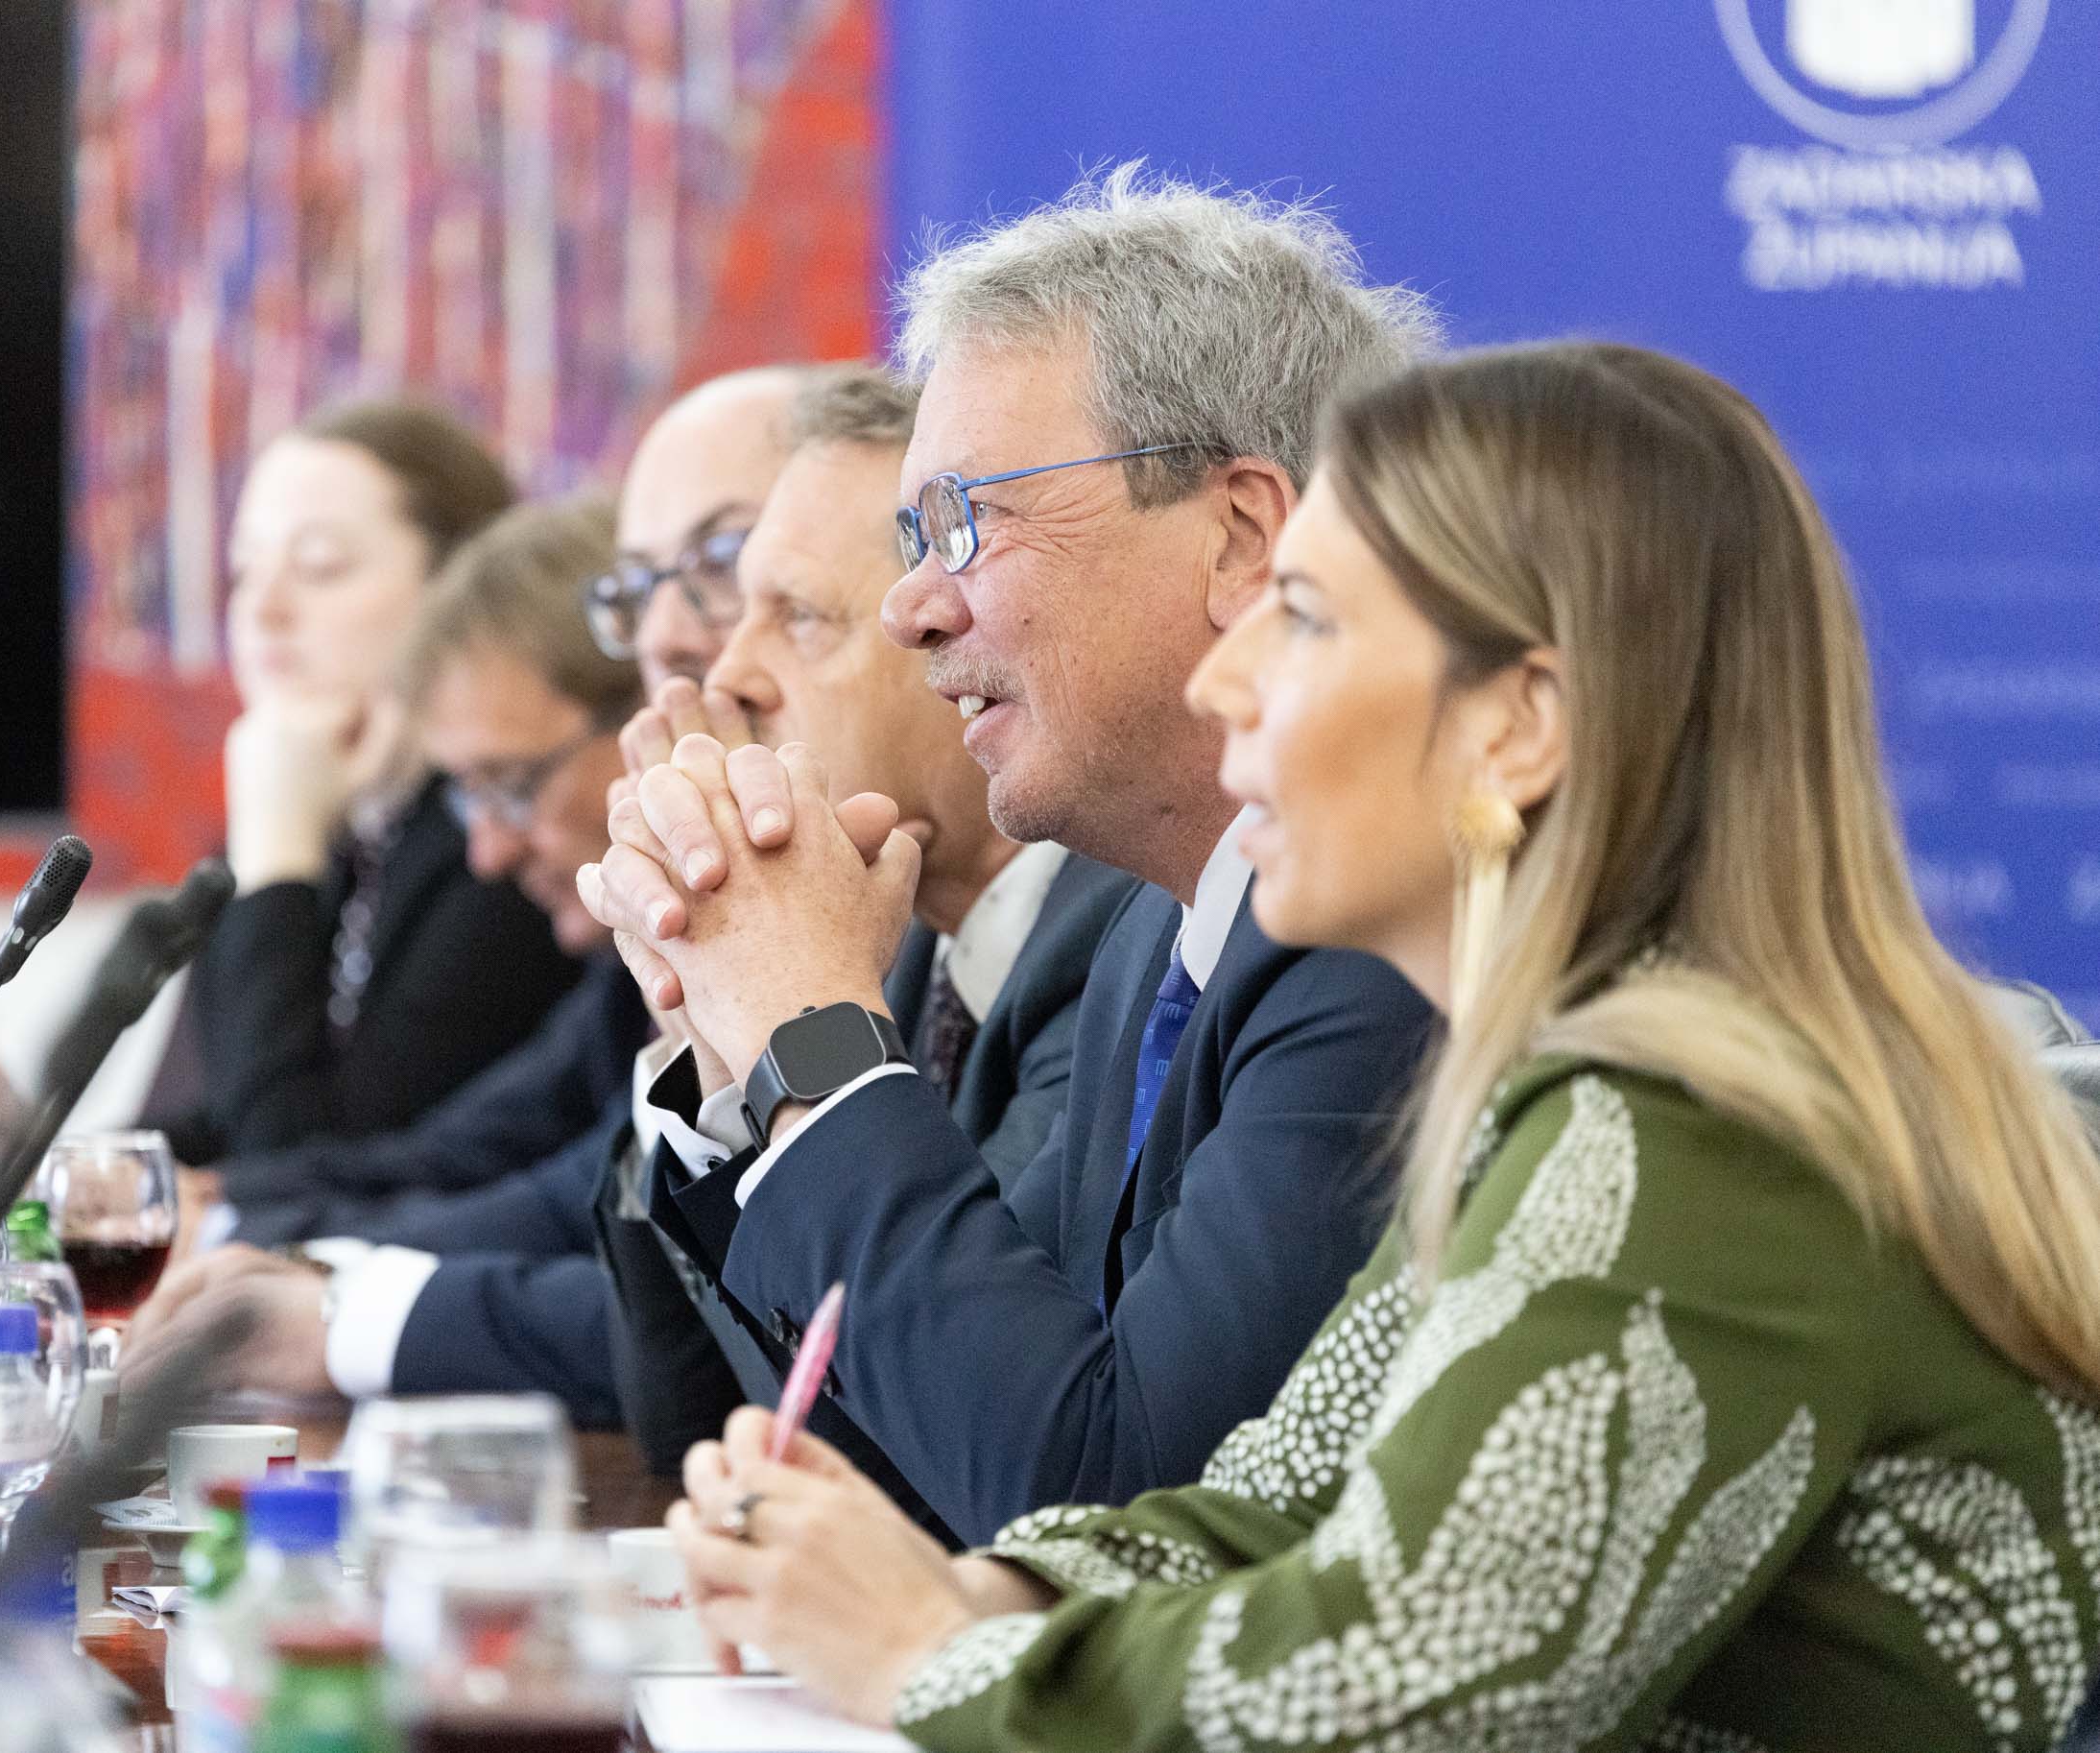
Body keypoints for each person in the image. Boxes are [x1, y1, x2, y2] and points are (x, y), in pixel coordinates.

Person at [655, 343, 2100, 1751]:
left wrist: (924, 1649)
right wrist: (985, 1594)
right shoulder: (1580, 1093)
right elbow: (1280, 1510)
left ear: (1518, 726)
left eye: (1303, 619)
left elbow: (1391, 1685)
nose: (1225, 684)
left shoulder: (1710, 1127)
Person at [582, 169, 1440, 1543]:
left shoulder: (1388, 942)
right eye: (912, 540)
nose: (910, 607)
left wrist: (816, 1041)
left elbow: (1120, 1513)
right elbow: (907, 1464)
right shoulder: (1152, 936)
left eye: (964, 522)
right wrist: (732, 1046)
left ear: (1240, 537)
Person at [130, 369, 1132, 1461]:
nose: (702, 657)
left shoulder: (1102, 942)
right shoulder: (901, 941)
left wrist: (338, 1310)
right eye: (643, 584)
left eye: (754, 590)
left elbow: (967, 1405)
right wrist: (714, 1045)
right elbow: (694, 1379)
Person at [200, 494, 651, 1243]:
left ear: (655, 707)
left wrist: (260, 1243)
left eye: (513, 785)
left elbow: (572, 1223)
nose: (489, 855)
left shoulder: (503, 914)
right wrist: (212, 1205)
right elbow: (448, 1158)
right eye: (241, 569)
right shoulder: (616, 988)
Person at [141, 401, 581, 1169]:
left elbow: (288, 1159)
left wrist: (277, 850)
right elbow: (197, 1126)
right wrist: (38, 1164)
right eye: (244, 571)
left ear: (457, 590)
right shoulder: (333, 819)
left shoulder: (506, 846)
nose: (263, 611)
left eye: (321, 566)